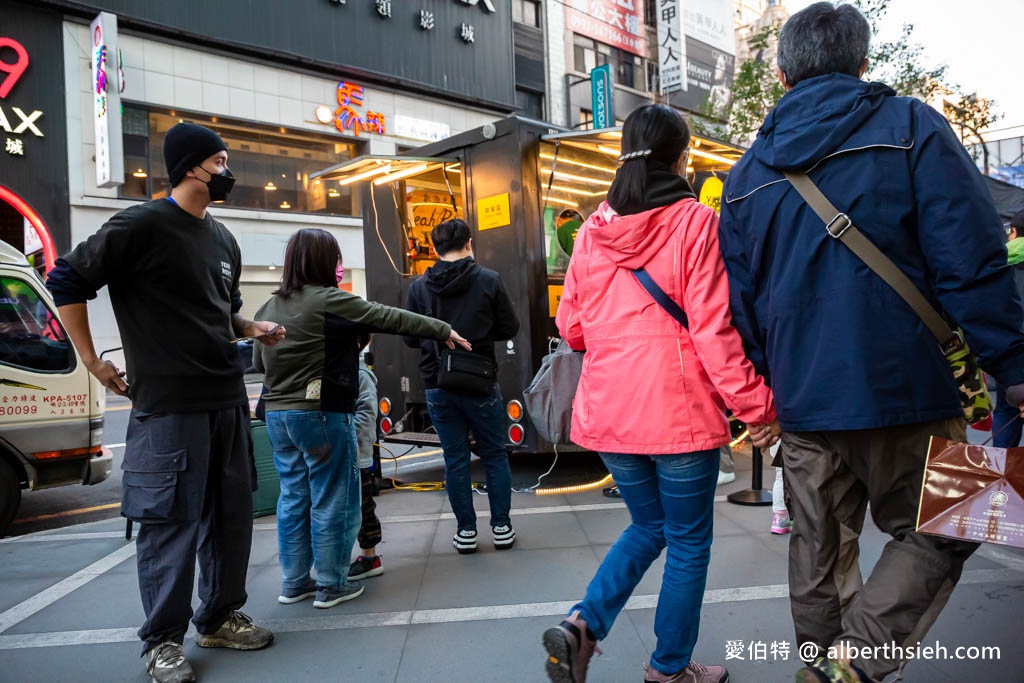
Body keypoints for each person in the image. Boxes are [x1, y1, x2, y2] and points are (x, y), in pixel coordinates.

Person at [716, 5, 1024, 682]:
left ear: (780, 73)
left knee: (817, 555)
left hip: (803, 402)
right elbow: (970, 260)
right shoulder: (910, 127)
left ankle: (825, 665)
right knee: (968, 511)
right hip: (907, 383)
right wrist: (1011, 363)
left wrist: (780, 378)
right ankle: (857, 659)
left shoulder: (742, 179)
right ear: (862, 64)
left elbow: (742, 308)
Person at [541, 103, 780, 683]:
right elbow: (713, 331)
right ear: (682, 155)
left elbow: (570, 329)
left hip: (610, 412)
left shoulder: (591, 234)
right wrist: (758, 406)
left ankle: (582, 625)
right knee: (690, 541)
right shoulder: (697, 223)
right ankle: (669, 668)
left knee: (649, 526)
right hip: (678, 414)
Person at [46, 122, 284, 683]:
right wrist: (90, 359)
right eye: (221, 162)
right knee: (170, 522)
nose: (228, 173)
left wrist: (254, 326)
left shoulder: (224, 239)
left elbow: (223, 313)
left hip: (227, 397)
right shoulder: (141, 223)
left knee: (231, 518)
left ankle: (220, 616)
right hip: (169, 404)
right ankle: (162, 642)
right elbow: (67, 278)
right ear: (191, 166)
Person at [253, 229, 469, 609]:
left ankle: (295, 582)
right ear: (324, 261)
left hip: (277, 416)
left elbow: (258, 364)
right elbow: (386, 317)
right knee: (332, 498)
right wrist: (442, 329)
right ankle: (332, 584)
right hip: (321, 413)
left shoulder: (266, 310)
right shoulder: (329, 300)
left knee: (293, 498)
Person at [404, 218, 520, 555]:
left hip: (437, 383)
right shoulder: (488, 280)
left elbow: (411, 336)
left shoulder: (419, 286)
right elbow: (509, 327)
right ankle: (502, 528)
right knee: (495, 455)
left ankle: (466, 532)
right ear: (469, 243)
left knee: (455, 458)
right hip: (480, 380)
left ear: (436, 249)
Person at [349, 333, 384, 581]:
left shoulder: (360, 373)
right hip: (351, 450)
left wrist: (351, 443)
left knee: (363, 506)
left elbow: (366, 414)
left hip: (357, 453)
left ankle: (370, 555)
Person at [990, 209, 1024, 447]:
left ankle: (1000, 473)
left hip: (1009, 346)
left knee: (1005, 411)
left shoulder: (997, 261)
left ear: (1013, 232)